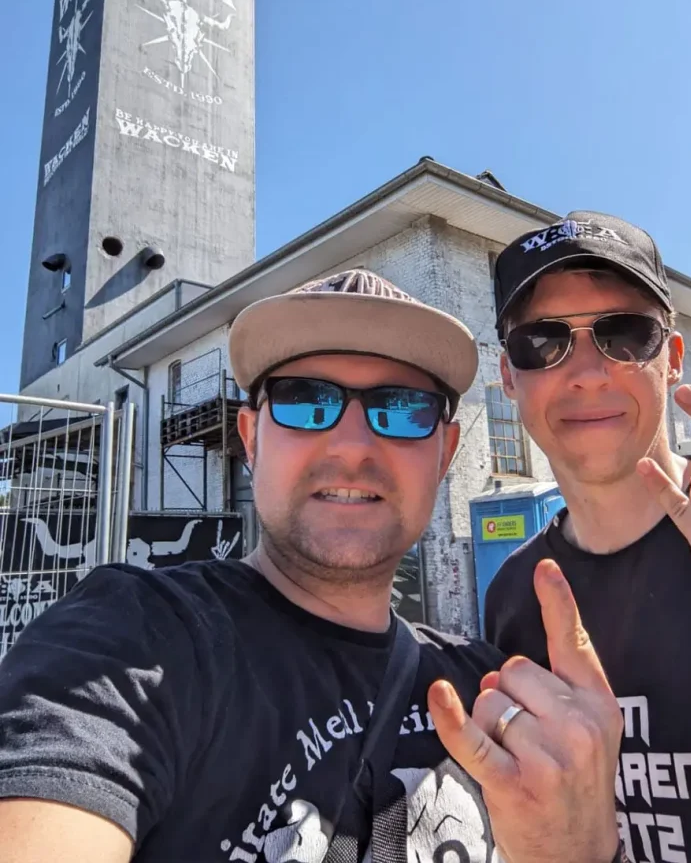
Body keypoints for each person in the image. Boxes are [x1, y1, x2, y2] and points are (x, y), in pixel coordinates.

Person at [0, 269, 624, 863]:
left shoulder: (491, 695)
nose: (352, 447)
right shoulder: (132, 642)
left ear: (445, 455)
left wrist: (580, 849)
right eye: (304, 401)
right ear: (251, 439)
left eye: (403, 408)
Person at [484, 212, 691, 863]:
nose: (588, 372)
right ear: (508, 377)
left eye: (624, 334)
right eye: (542, 342)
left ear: (672, 359)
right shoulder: (513, 598)